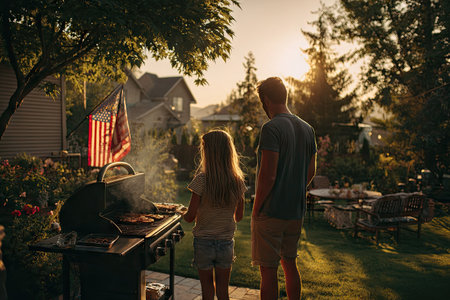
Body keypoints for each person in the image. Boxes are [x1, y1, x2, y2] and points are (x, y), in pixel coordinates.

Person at [251, 77, 317, 300]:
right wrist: (293, 187)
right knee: (290, 264)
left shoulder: (271, 128)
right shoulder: (308, 129)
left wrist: (257, 206)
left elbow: (268, 175)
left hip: (271, 211)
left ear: (266, 100)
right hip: (295, 212)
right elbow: (311, 173)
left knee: (268, 270)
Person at [184, 130, 246, 300]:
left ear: (207, 153)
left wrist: (182, 213)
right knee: (223, 291)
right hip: (226, 243)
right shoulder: (237, 181)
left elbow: (190, 217)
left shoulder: (201, 180)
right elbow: (238, 216)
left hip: (203, 243)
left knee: (207, 291)